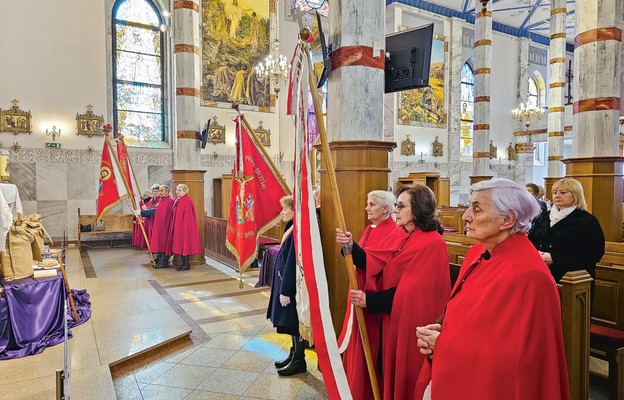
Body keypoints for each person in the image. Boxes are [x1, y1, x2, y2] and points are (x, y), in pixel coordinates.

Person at [416, 178, 570, 400]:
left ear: (507, 219)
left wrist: (443, 345)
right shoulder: (478, 253)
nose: (466, 216)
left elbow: (515, 362)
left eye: (476, 209)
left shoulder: (528, 276)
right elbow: (470, 314)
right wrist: (441, 326)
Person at [336, 184, 450, 400]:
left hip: (412, 323)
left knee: (405, 376)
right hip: (393, 317)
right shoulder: (403, 234)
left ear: (418, 210)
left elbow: (411, 293)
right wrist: (350, 246)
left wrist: (370, 300)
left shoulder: (433, 243)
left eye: (401, 206)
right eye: (396, 205)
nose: (395, 210)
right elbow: (375, 260)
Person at [336, 190, 397, 400]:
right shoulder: (370, 228)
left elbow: (376, 263)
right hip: (358, 294)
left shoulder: (393, 231)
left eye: (371, 204)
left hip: (372, 298)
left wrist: (353, 247)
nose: (367, 208)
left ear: (386, 209)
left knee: (368, 347)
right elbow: (357, 258)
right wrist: (347, 247)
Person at [528, 177, 605, 285]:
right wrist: (536, 254)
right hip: (541, 273)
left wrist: (554, 258)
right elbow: (530, 241)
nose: (557, 195)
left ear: (576, 195)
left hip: (573, 278)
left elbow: (594, 253)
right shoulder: (543, 217)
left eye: (563, 192)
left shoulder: (586, 220)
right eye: (555, 192)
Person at [267, 196, 307, 376]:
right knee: (290, 324)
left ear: (294, 211)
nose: (282, 212)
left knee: (294, 322)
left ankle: (299, 360)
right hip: (285, 281)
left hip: (291, 286)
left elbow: (292, 261)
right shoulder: (290, 227)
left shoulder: (297, 231)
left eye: (285, 209)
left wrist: (285, 290)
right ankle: (293, 354)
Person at [138, 185, 174, 269]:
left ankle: (164, 261)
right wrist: (142, 212)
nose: (160, 192)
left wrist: (142, 213)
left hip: (165, 225)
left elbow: (157, 211)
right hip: (160, 225)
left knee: (164, 243)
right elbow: (155, 210)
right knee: (160, 242)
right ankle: (160, 258)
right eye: (160, 190)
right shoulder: (162, 200)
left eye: (161, 191)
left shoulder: (169, 201)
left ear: (166, 192)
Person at [168, 184, 201, 271]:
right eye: (177, 190)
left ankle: (186, 264)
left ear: (185, 191)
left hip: (184, 228)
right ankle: (184, 264)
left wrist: (184, 229)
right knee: (180, 245)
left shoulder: (187, 201)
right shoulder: (177, 200)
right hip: (178, 227)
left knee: (185, 245)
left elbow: (188, 218)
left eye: (180, 190)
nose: (177, 192)